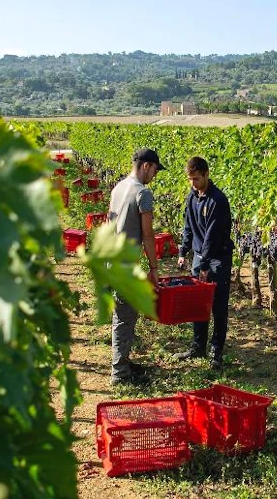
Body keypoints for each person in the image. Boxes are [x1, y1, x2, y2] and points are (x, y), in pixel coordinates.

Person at [107, 148, 164, 386]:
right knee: (124, 317)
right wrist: (153, 268)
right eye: (154, 170)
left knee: (122, 313)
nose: (154, 175)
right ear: (146, 166)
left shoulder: (119, 188)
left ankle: (124, 363)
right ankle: (120, 373)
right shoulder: (143, 193)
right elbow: (148, 235)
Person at [175, 156, 234, 370]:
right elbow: (188, 226)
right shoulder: (192, 197)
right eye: (190, 179)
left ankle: (216, 352)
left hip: (217, 259)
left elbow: (213, 236)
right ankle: (197, 346)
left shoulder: (218, 201)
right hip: (200, 257)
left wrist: (206, 265)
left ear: (207, 174)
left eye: (197, 179)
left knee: (218, 305)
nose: (193, 183)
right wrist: (183, 251)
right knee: (198, 303)